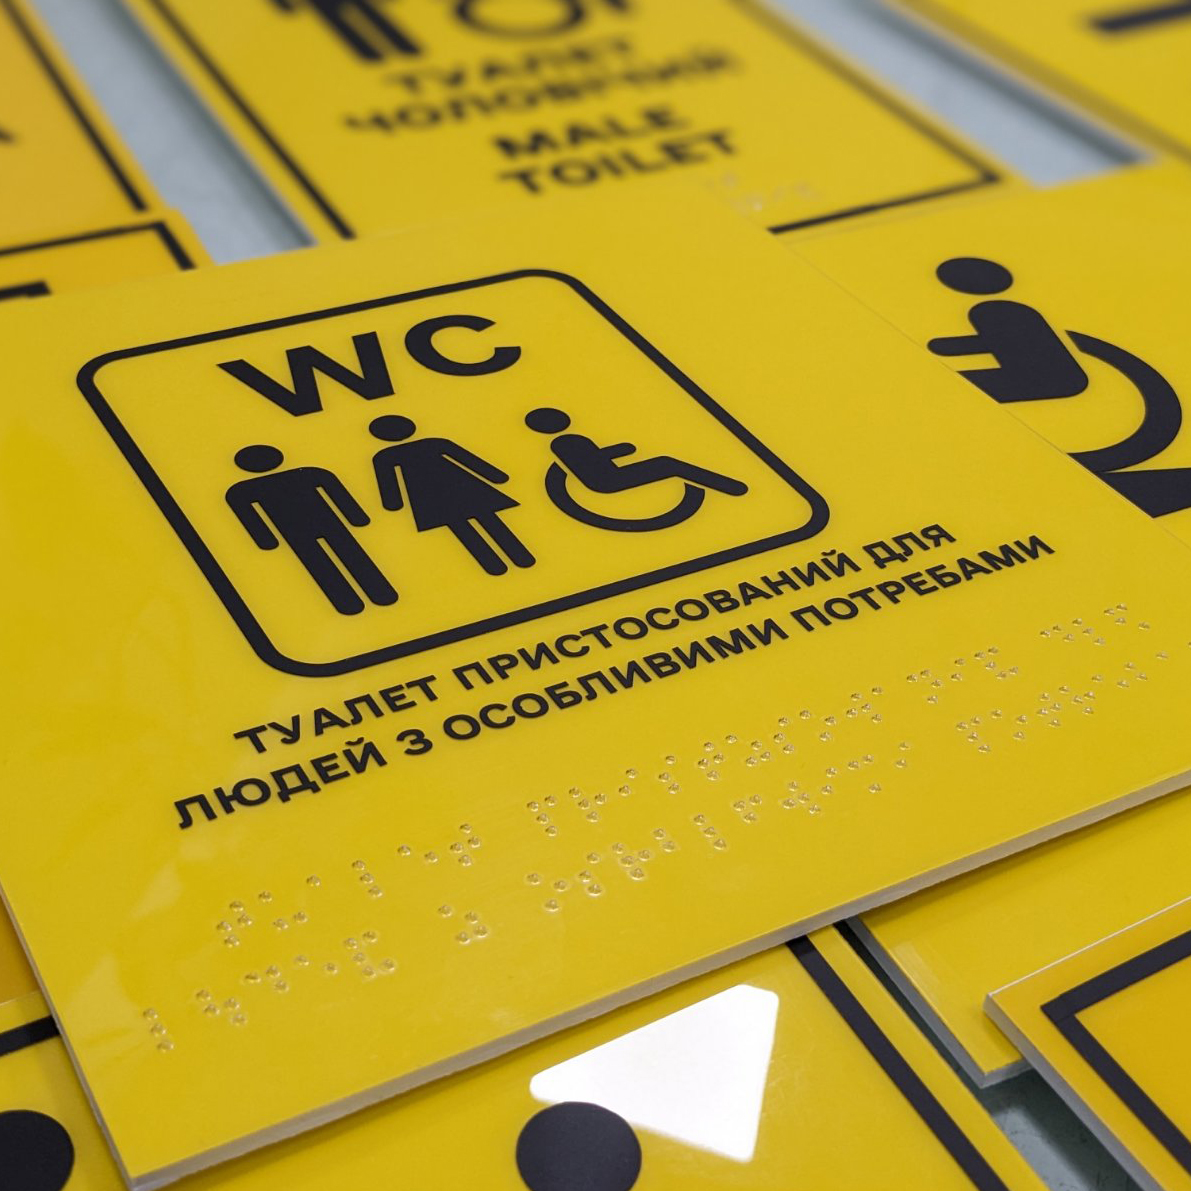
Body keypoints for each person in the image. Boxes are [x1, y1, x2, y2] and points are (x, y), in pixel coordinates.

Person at [226, 444, 397, 615]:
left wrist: (266, 539)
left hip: (300, 531)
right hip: (322, 525)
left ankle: (354, 601)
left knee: (323, 563)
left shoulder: (244, 489)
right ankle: (374, 595)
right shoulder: (308, 473)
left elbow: (249, 515)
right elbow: (337, 493)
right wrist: (356, 518)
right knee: (344, 557)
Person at [369, 415, 535, 576]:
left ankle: (495, 564)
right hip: (458, 485)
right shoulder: (432, 443)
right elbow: (467, 459)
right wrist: (495, 476)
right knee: (488, 520)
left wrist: (394, 503)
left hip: (428, 495)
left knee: (463, 528)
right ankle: (519, 558)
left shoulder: (386, 455)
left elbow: (388, 483)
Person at [927, 257, 1089, 403]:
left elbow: (1003, 342)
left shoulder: (992, 311)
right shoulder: (1012, 311)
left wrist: (944, 347)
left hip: (1037, 381)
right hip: (1060, 381)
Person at [524, 406, 748, 496]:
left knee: (668, 464)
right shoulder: (569, 442)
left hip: (607, 477)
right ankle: (731, 487)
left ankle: (732, 487)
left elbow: (593, 461)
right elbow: (592, 463)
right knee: (668, 464)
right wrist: (623, 449)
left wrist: (618, 451)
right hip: (609, 481)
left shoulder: (566, 442)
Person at [267, 0, 418, 60]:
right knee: (345, 29)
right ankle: (370, 53)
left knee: (377, 21)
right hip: (324, 5)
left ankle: (405, 47)